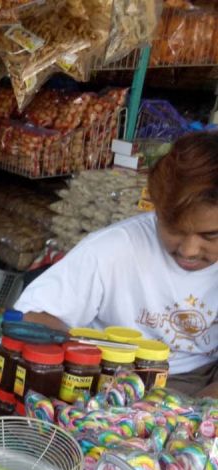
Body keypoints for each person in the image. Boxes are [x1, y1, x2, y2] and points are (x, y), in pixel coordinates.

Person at [15, 132, 218, 398]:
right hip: (113, 380)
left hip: (199, 381)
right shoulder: (114, 248)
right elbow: (30, 317)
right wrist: (86, 362)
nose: (189, 250)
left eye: (210, 235)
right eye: (174, 229)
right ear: (156, 209)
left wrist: (198, 414)